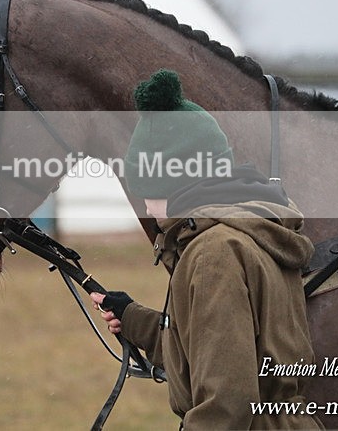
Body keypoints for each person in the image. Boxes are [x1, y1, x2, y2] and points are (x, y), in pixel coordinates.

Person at [90, 69, 322, 429]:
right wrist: (133, 317)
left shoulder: (215, 254)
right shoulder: (245, 230)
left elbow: (226, 405)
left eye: (147, 191)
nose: (147, 209)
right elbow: (216, 351)